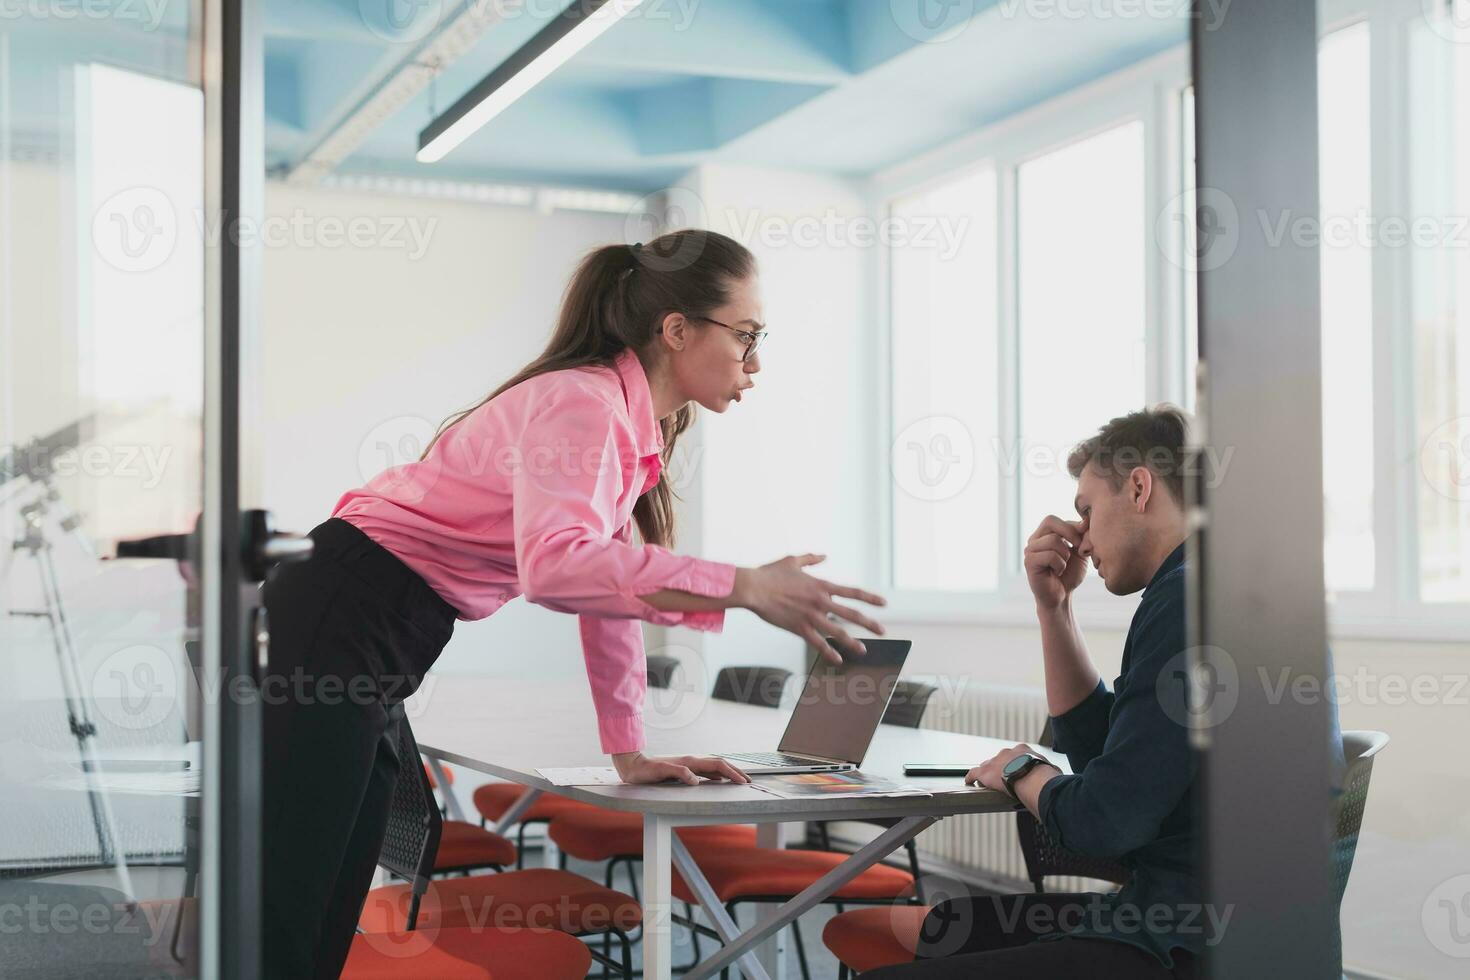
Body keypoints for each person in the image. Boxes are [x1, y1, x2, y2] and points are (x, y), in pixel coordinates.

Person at [260, 229, 888, 979]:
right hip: (346, 608)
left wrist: (628, 749)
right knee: (297, 897)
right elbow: (558, 569)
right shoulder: (583, 403)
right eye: (746, 335)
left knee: (328, 890)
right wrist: (744, 586)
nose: (755, 363)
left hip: (369, 622)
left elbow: (604, 590)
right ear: (678, 329)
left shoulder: (626, 426)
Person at [874, 407, 1206, 979]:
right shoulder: (1207, 589)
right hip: (1201, 924)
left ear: (1139, 487)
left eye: (1087, 510)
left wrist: (1022, 767)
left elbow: (1102, 823)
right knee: (941, 929)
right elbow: (1102, 755)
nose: (1082, 536)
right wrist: (1054, 607)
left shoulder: (1184, 604)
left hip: (1172, 943)